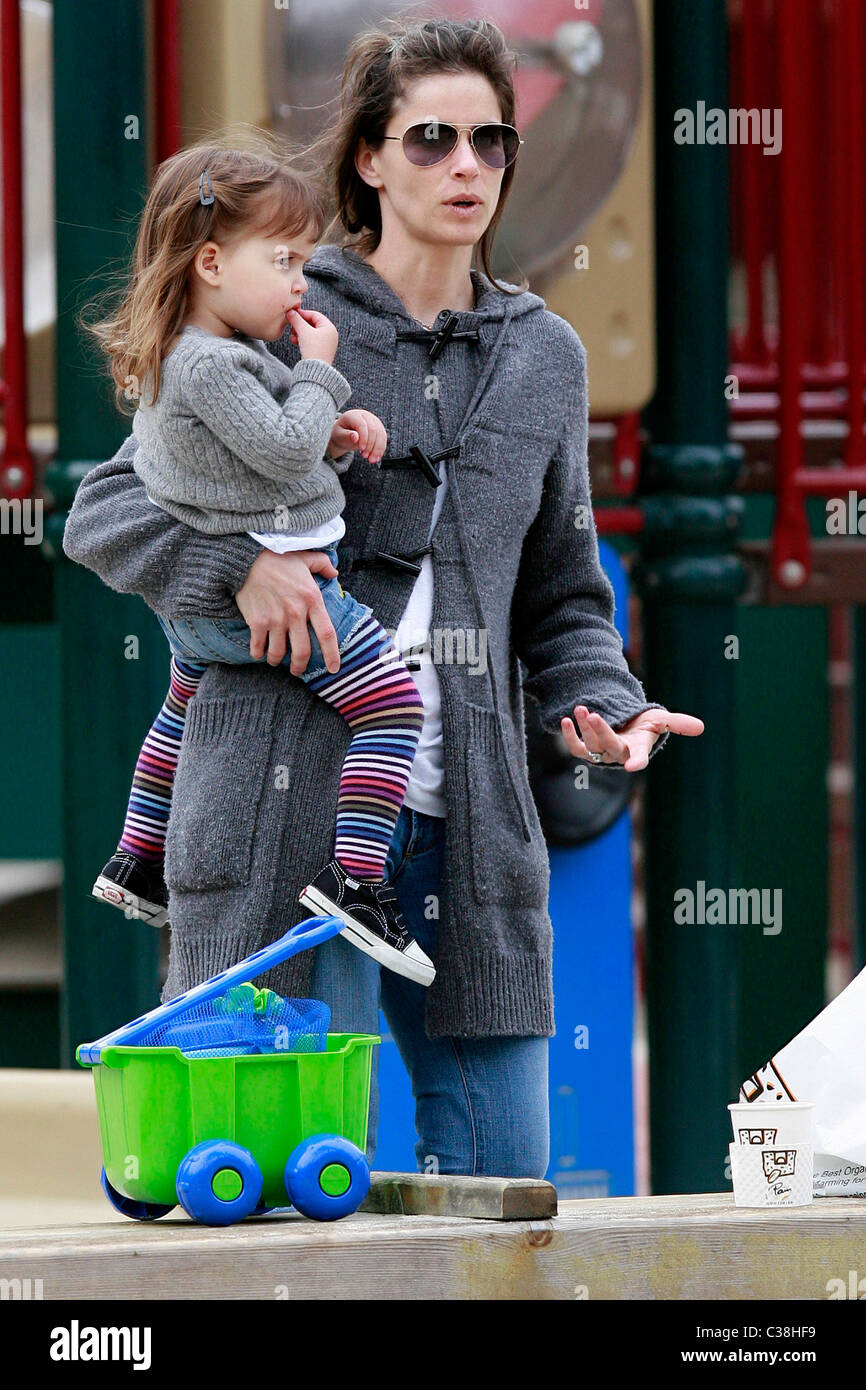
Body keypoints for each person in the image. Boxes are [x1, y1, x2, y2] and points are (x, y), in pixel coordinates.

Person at [63, 16, 703, 1177]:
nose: (466, 166)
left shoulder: (546, 354)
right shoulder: (281, 313)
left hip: (471, 832)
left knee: (506, 1199)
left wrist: (600, 699)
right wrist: (239, 571)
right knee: (289, 1210)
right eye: (431, 140)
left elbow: (561, 591)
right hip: (274, 812)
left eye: (490, 142)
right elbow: (105, 512)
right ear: (367, 157)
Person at [81, 138, 434, 987]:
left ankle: (136, 858)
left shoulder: (186, 358)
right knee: (392, 706)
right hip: (282, 592)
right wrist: (321, 375)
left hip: (201, 627)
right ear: (208, 261)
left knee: (177, 708)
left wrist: (336, 432)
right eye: (281, 260)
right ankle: (356, 878)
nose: (298, 282)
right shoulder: (215, 362)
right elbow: (278, 452)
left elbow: (244, 459)